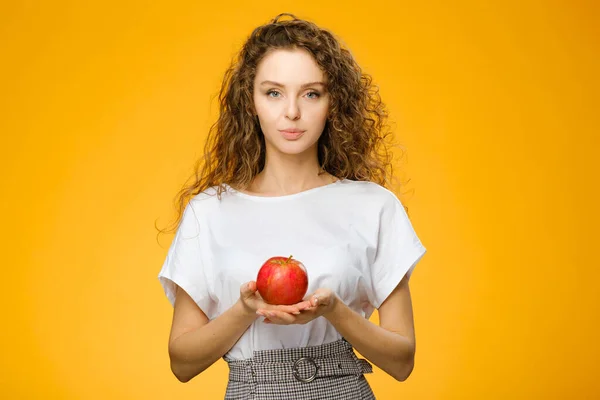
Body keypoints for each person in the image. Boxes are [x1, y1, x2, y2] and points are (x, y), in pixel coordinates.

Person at [157, 13, 427, 399]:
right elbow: (182, 363)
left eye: (311, 93)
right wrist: (246, 310)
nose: (293, 112)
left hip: (344, 388)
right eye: (273, 92)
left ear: (334, 103)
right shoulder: (209, 212)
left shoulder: (374, 206)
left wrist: (333, 309)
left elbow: (402, 362)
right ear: (250, 102)